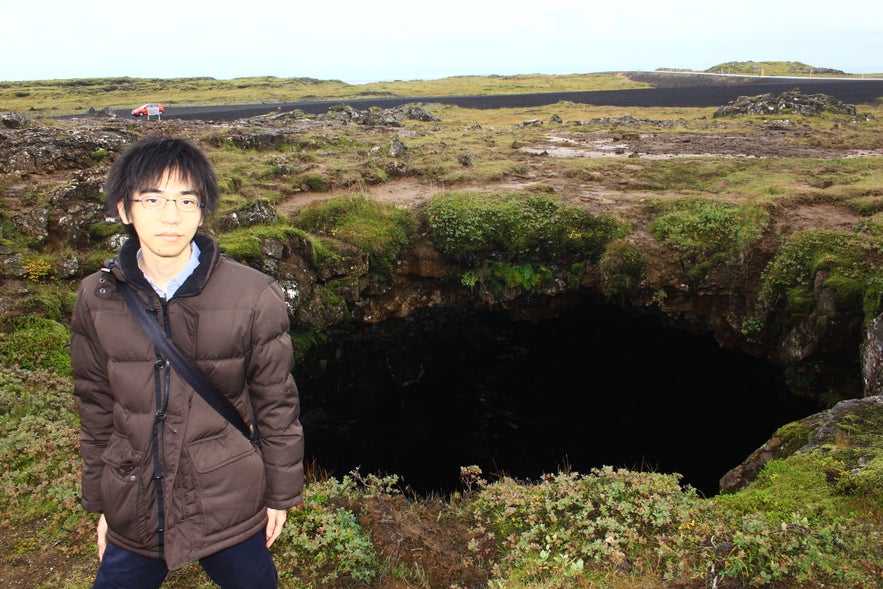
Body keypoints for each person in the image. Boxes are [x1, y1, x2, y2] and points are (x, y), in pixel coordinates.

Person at [71, 135, 304, 588]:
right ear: (125, 209)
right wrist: (104, 502)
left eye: (186, 200)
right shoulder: (96, 297)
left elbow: (276, 403)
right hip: (135, 505)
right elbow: (95, 405)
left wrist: (280, 495)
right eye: (152, 199)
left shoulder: (254, 294)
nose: (171, 216)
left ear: (202, 210)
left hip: (228, 503)